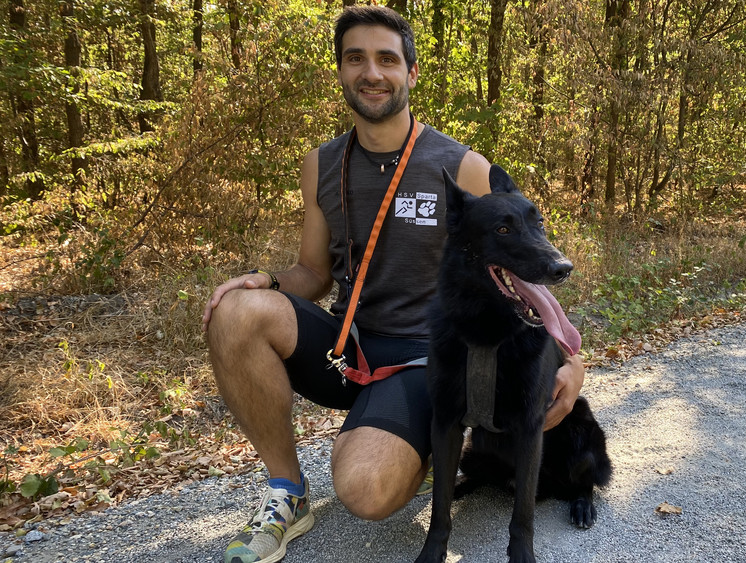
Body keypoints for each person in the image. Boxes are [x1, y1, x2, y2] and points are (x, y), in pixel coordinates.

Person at [200, 6, 584, 563]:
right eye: (356, 58)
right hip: (347, 348)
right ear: (339, 71)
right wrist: (266, 279)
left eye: (387, 58)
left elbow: (519, 269)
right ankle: (287, 493)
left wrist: (570, 361)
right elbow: (312, 273)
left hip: (428, 358)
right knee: (236, 309)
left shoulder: (463, 167)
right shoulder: (321, 163)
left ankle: (419, 440)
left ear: (412, 71)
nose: (372, 73)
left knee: (368, 490)